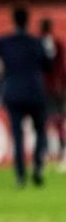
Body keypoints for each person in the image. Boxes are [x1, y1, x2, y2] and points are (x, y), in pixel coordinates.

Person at [0, 7, 51, 187]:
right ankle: (37, 166)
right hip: (35, 92)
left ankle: (20, 176)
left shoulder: (5, 42)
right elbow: (48, 65)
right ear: (27, 21)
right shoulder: (36, 42)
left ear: (13, 21)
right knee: (40, 132)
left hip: (13, 92)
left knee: (17, 135)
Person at [39, 18, 66, 161]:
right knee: (56, 121)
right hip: (54, 88)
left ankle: (51, 151)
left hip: (47, 89)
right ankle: (57, 150)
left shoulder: (39, 45)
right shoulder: (57, 44)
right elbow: (62, 68)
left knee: (48, 121)